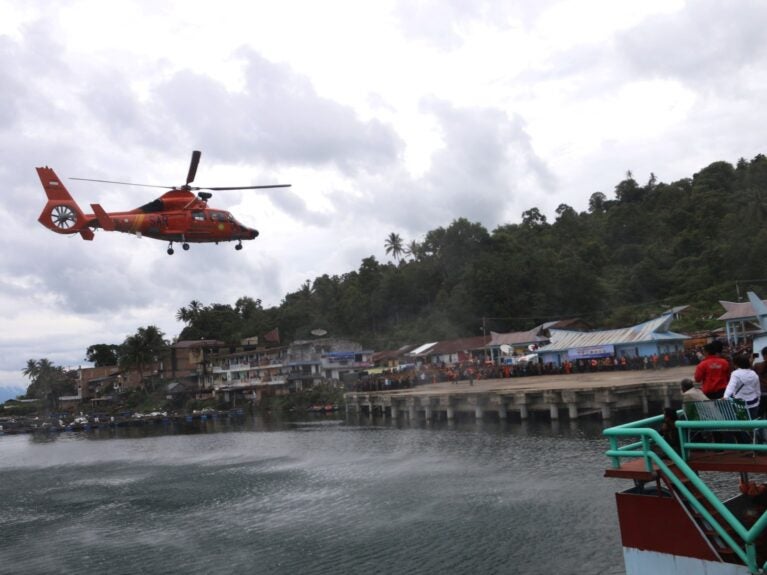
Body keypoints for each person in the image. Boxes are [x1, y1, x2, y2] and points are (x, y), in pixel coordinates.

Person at [724, 354, 761, 420]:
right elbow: (757, 390)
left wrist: (725, 396)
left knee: (742, 423)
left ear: (736, 364)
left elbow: (731, 386)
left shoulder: (735, 373)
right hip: (753, 402)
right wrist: (758, 400)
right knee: (753, 422)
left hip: (740, 403)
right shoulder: (754, 373)